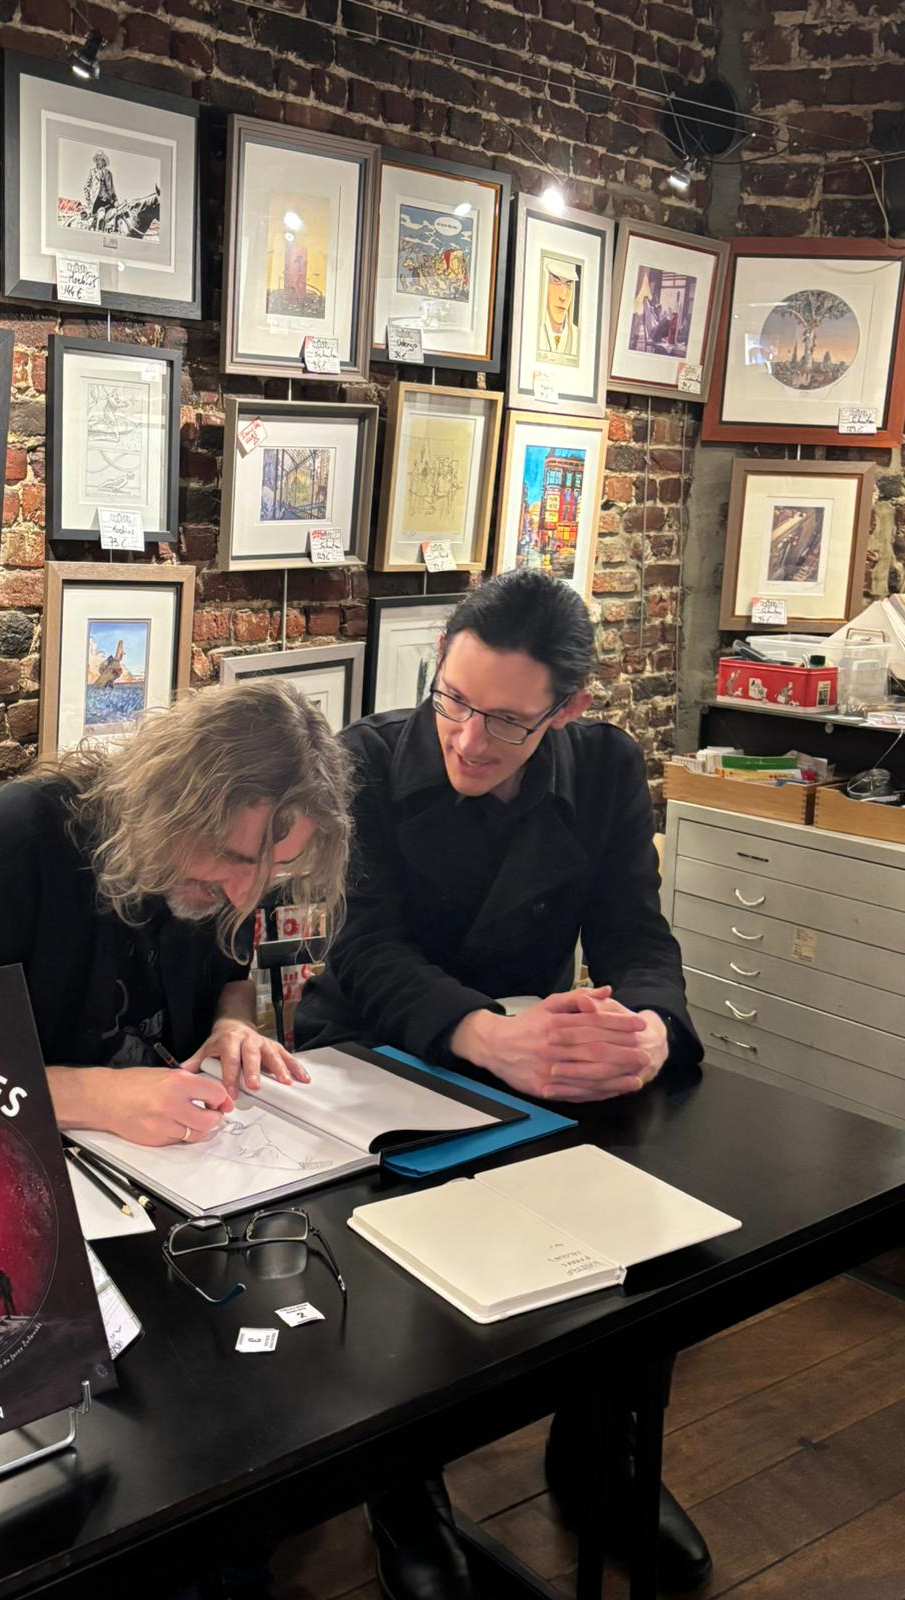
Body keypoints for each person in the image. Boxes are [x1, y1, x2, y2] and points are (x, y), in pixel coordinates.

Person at [295, 570, 709, 1597]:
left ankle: (600, 1450)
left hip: (531, 1046)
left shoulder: (604, 768)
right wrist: (485, 1034)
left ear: (566, 709)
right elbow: (363, 949)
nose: (469, 740)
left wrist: (652, 1031)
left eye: (508, 722)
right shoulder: (365, 760)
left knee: (644, 1205)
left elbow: (636, 935)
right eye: (453, 701)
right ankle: (405, 1491)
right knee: (394, 1265)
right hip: (381, 1048)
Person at [0, 678, 351, 1136]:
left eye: (273, 869)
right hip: (18, 1152)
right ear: (174, 805)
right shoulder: (8, 846)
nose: (244, 895)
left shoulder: (226, 873)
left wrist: (233, 1026)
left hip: (175, 1166)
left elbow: (231, 976)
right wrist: (93, 1096)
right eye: (230, 857)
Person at [538, 256, 581, 362]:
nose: (563, 296)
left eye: (568, 285)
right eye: (556, 282)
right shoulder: (532, 332)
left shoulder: (579, 337)